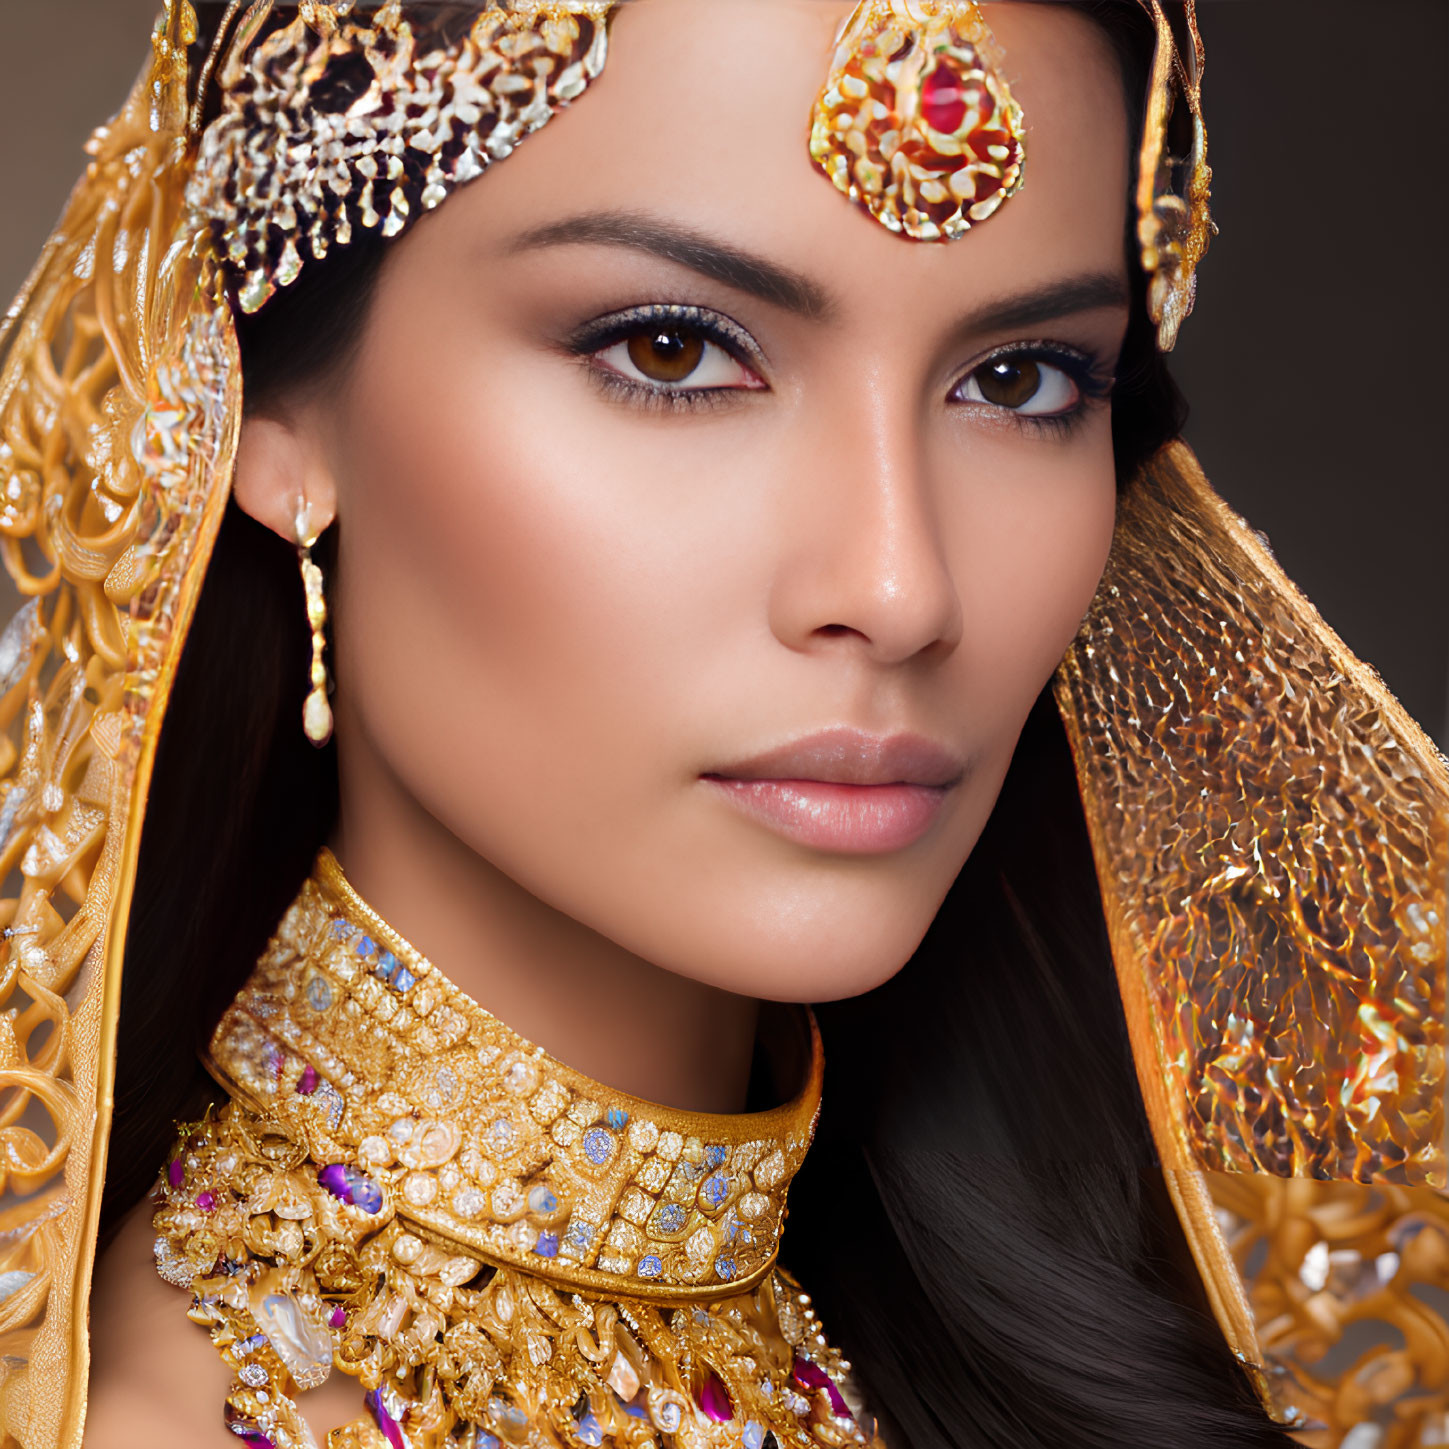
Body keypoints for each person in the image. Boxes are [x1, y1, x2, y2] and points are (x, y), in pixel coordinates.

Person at [0, 2, 1442, 1447]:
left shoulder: (1105, 1325)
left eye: (1020, 380)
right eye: (675, 352)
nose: (898, 586)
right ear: (264, 405)